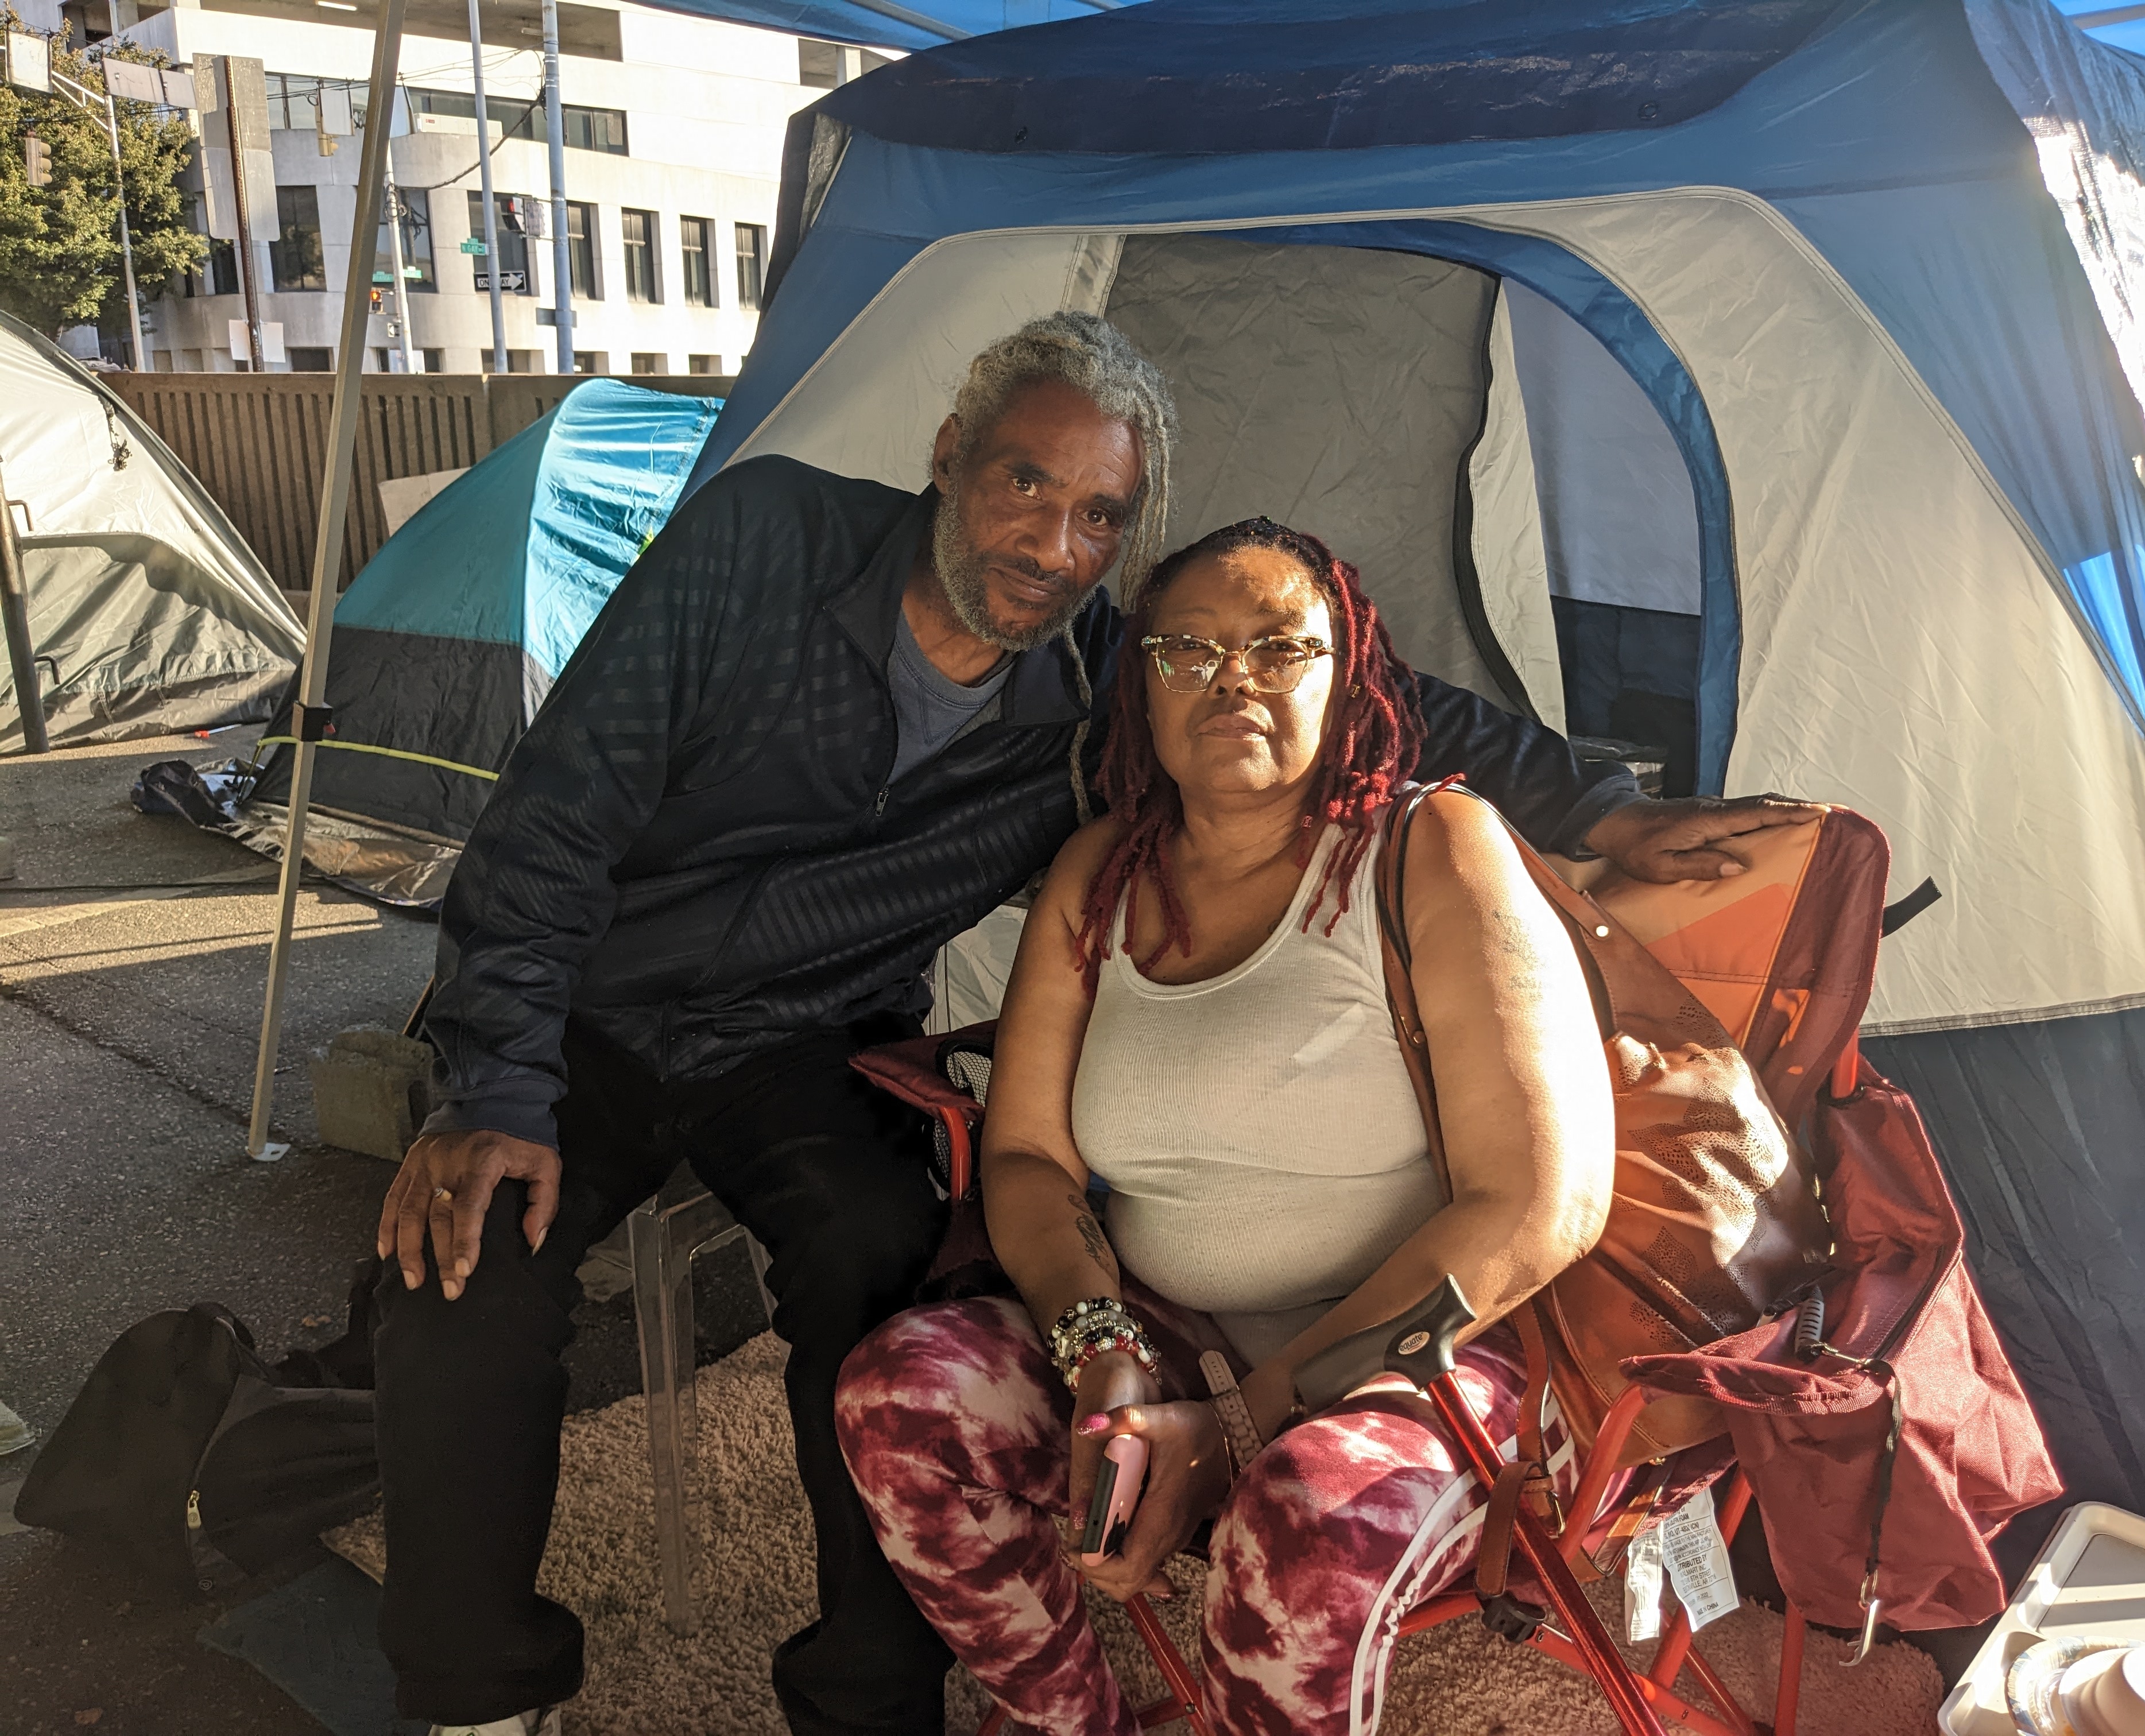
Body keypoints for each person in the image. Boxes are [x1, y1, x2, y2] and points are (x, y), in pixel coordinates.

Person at [372, 313, 1814, 1736]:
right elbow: (554, 817)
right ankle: (478, 1696)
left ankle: (869, 1711)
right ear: (951, 455)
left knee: (879, 1258)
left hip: (802, 1039)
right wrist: (493, 1085)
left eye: (1098, 516)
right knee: (461, 1272)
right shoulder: (766, 545)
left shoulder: (1099, 682)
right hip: (587, 1002)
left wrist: (1603, 808)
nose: (1051, 545)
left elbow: (1348, 684)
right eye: (1023, 483)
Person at [834, 517, 1633, 1734]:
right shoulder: (1099, 874)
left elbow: (1541, 1203)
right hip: (1165, 1335)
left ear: (1348, 677)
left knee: (1301, 1518)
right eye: (1189, 651)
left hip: (1435, 1359)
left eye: (1280, 647)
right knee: (900, 1401)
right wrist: (1101, 1352)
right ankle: (1075, 1723)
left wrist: (1250, 1419)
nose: (1232, 680)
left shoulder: (1431, 849)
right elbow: (1031, 1155)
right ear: (1142, 688)